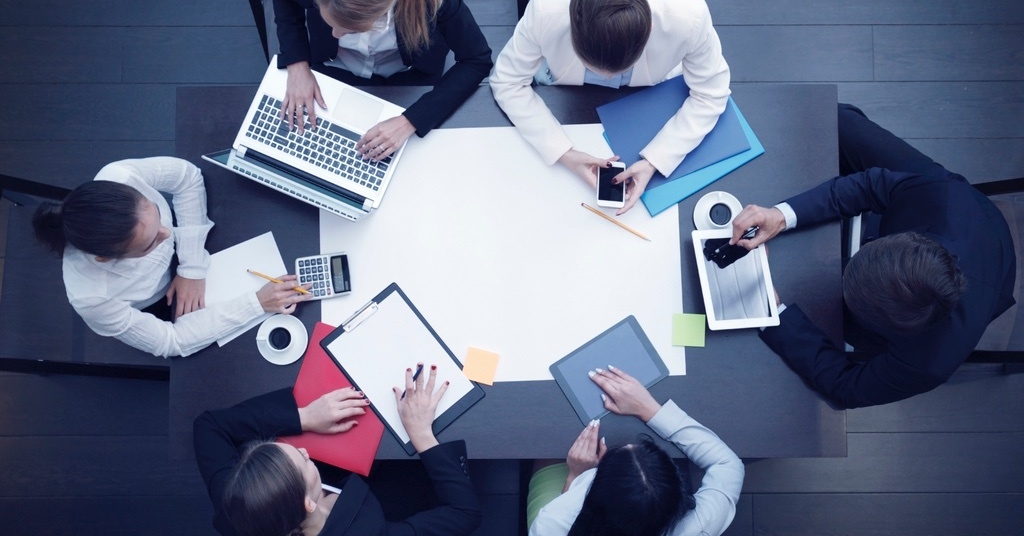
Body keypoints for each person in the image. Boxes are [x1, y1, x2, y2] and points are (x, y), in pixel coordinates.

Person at [730, 103, 1017, 409]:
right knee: (835, 119)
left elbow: (844, 388)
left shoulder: (927, 363)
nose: (836, 265)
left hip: (990, 276)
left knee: (813, 319)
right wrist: (782, 215)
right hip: (960, 211)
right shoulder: (944, 197)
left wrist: (774, 312)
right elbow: (870, 186)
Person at [489, 0, 730, 214]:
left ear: (651, 28)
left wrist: (655, 161)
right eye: (594, 66)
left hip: (651, 91)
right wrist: (563, 152)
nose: (608, 77)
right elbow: (507, 80)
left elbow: (712, 92)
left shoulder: (691, 16)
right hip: (563, 88)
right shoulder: (544, 9)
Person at [31, 157, 311, 358]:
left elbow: (186, 177)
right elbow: (171, 341)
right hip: (163, 301)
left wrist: (191, 267)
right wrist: (257, 303)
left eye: (154, 212)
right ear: (106, 258)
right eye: (151, 242)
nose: (167, 233)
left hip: (196, 244)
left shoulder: (120, 176)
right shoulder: (92, 299)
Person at [193, 364, 482, 536]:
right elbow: (464, 513)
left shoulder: (235, 499)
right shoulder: (369, 532)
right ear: (309, 503)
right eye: (303, 462)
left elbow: (208, 426)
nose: (304, 452)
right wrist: (421, 433)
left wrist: (303, 417)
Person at [271, 0, 492, 159]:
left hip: (412, 76)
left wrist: (411, 121)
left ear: (385, 7)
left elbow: (476, 60)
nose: (335, 34)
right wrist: (297, 63)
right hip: (331, 67)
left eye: (350, 31)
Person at [528, 366, 744, 536]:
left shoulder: (551, 523)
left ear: (594, 494)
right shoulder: (700, 525)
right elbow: (729, 465)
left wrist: (576, 477)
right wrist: (650, 409)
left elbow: (559, 519)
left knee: (548, 451)